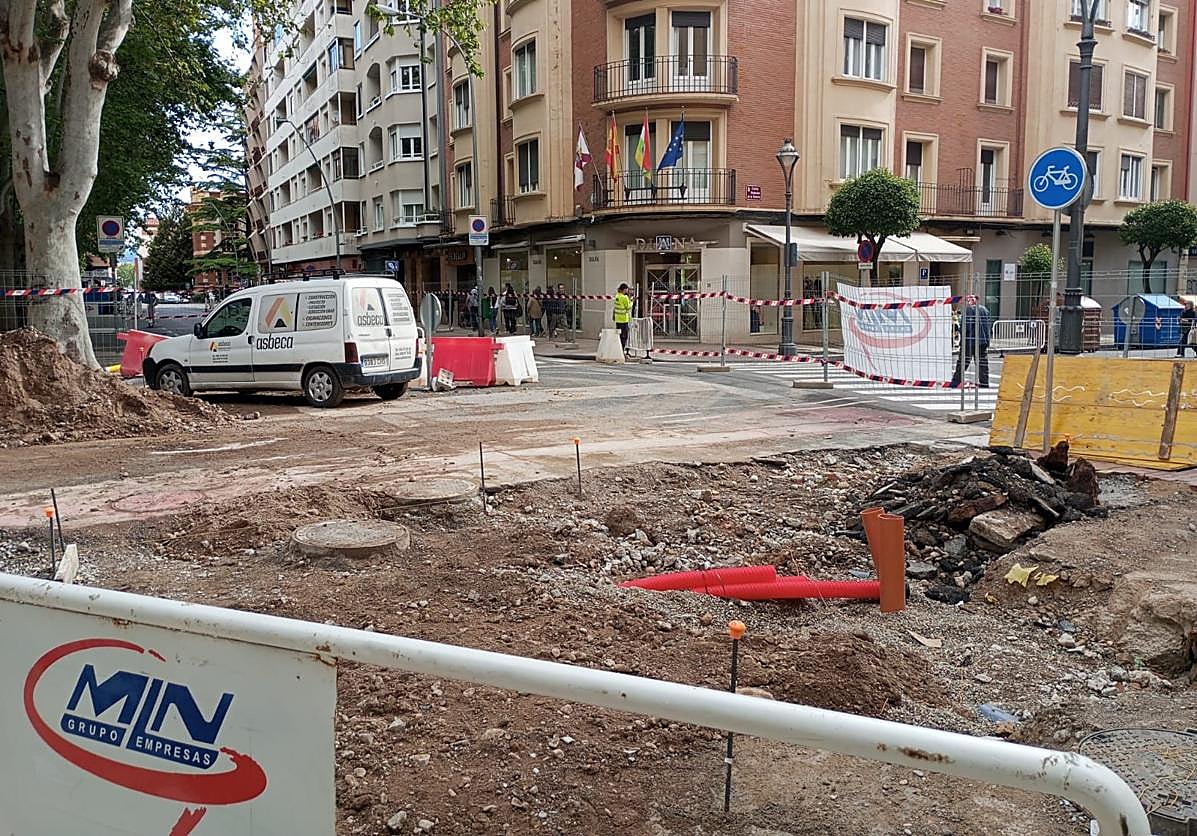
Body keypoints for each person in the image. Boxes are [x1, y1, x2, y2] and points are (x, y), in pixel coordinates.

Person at [951, 300, 993, 387]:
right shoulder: (984, 310)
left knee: (963, 361)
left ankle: (956, 380)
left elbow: (966, 326)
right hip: (982, 340)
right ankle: (984, 382)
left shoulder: (969, 310)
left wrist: (962, 337)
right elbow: (989, 326)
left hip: (970, 340)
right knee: (982, 363)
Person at [613, 282, 633, 353]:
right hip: (624, 319)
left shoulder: (617, 296)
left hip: (618, 319)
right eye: (627, 290)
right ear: (624, 289)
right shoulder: (624, 297)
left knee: (619, 335)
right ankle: (622, 349)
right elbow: (628, 307)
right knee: (624, 336)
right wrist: (631, 301)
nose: (627, 291)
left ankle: (619, 349)